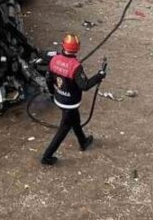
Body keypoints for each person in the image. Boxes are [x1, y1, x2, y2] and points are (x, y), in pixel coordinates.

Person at [41, 33, 106, 166]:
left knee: (75, 121)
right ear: (77, 49)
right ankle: (47, 157)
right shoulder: (75, 66)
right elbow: (85, 85)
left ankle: (83, 141)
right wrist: (99, 75)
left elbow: (48, 79)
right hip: (69, 103)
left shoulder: (54, 60)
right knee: (64, 129)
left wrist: (53, 94)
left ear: (62, 46)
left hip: (59, 98)